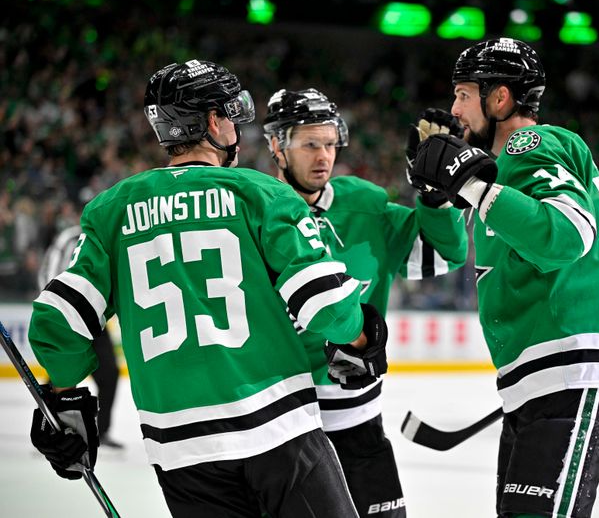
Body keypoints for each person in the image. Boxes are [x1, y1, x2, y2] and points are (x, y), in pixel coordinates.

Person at [27, 59, 389, 518]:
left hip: (180, 450)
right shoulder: (261, 194)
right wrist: (362, 340)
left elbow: (58, 322)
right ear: (214, 121)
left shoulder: (110, 211)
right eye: (231, 117)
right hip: (277, 431)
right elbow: (327, 308)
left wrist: (63, 398)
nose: (236, 129)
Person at [408, 38, 599, 518]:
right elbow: (444, 255)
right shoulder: (498, 175)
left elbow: (567, 235)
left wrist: (469, 181)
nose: (454, 109)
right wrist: (437, 192)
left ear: (499, 99)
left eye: (463, 94)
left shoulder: (532, 143)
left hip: (574, 357)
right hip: (541, 369)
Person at [262, 88, 468, 517]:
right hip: (278, 429)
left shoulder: (365, 205)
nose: (323, 156)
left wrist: (434, 197)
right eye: (309, 144)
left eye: (330, 143)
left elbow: (443, 252)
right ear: (276, 146)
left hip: (359, 424)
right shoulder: (252, 211)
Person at [37, 223, 123, 449]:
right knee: (62, 375)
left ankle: (100, 432)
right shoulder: (69, 237)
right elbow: (49, 273)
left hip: (94, 322)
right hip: (68, 319)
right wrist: (58, 312)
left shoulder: (104, 238)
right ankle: (53, 428)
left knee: (109, 375)